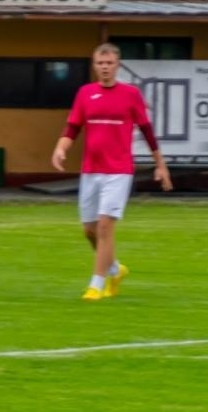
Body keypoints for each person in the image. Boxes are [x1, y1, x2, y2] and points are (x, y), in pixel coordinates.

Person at [51, 42, 173, 301]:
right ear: (94, 66)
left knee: (105, 226)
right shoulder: (85, 93)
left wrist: (160, 165)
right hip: (90, 171)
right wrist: (61, 148)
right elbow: (73, 127)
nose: (105, 68)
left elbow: (148, 132)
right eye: (100, 63)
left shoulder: (130, 94)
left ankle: (96, 284)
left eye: (110, 63)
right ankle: (115, 269)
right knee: (89, 230)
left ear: (117, 66)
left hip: (118, 171)